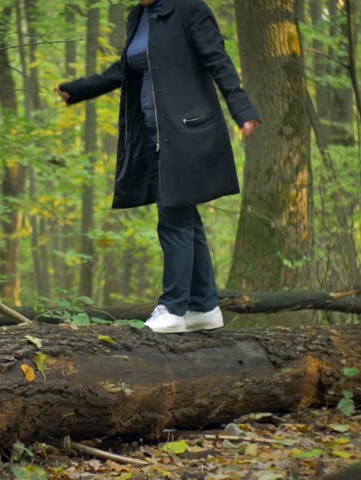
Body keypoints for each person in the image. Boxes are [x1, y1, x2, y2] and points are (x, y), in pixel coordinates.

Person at [56, 0, 261, 333]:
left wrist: (243, 109)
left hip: (187, 132)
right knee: (184, 217)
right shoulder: (139, 17)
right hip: (153, 135)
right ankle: (205, 306)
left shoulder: (189, 9)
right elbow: (123, 69)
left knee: (173, 215)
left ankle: (173, 308)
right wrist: (79, 90)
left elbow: (217, 59)